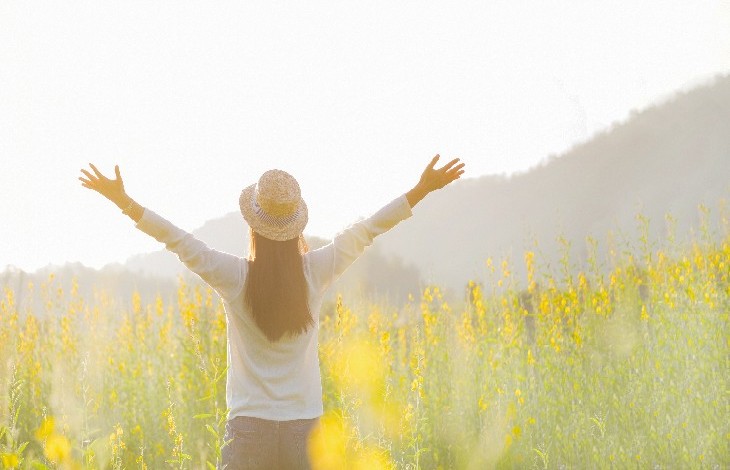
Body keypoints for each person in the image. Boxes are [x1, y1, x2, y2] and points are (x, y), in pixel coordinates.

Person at [78, 155, 465, 469]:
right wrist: (420, 190)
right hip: (306, 430)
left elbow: (179, 241)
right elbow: (366, 231)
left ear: (253, 224)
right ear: (297, 227)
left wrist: (124, 202)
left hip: (248, 430)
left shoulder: (233, 275)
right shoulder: (316, 270)